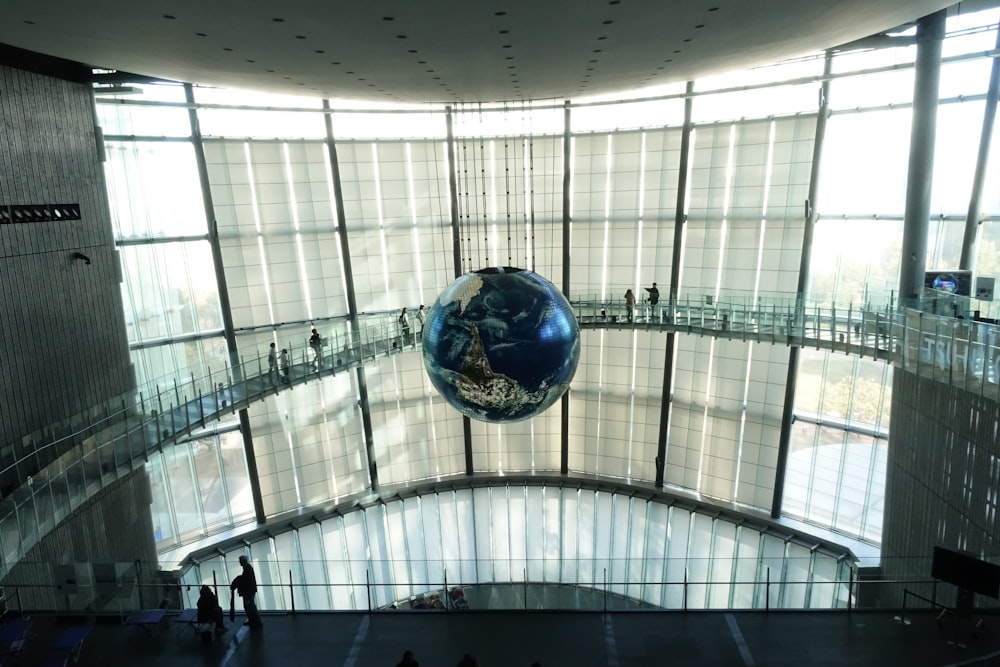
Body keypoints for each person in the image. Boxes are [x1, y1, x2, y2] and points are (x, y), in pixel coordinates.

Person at [230, 555, 263, 631]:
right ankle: (254, 620)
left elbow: (244, 580)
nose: (239, 563)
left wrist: (237, 583)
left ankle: (255, 621)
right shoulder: (248, 568)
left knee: (249, 606)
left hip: (248, 591)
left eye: (240, 561)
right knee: (249, 606)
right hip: (249, 591)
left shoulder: (247, 569)